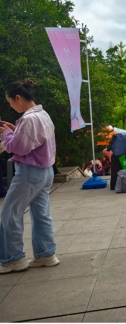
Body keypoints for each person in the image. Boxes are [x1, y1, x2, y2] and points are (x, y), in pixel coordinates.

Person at [0, 79, 59, 274]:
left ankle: (13, 259)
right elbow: (32, 141)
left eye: (10, 102)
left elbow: (18, 147)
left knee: (10, 213)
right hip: (45, 171)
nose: (11, 106)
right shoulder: (43, 115)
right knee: (41, 214)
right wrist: (14, 131)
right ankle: (46, 254)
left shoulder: (28, 119)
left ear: (18, 98)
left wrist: (7, 135)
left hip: (29, 172)